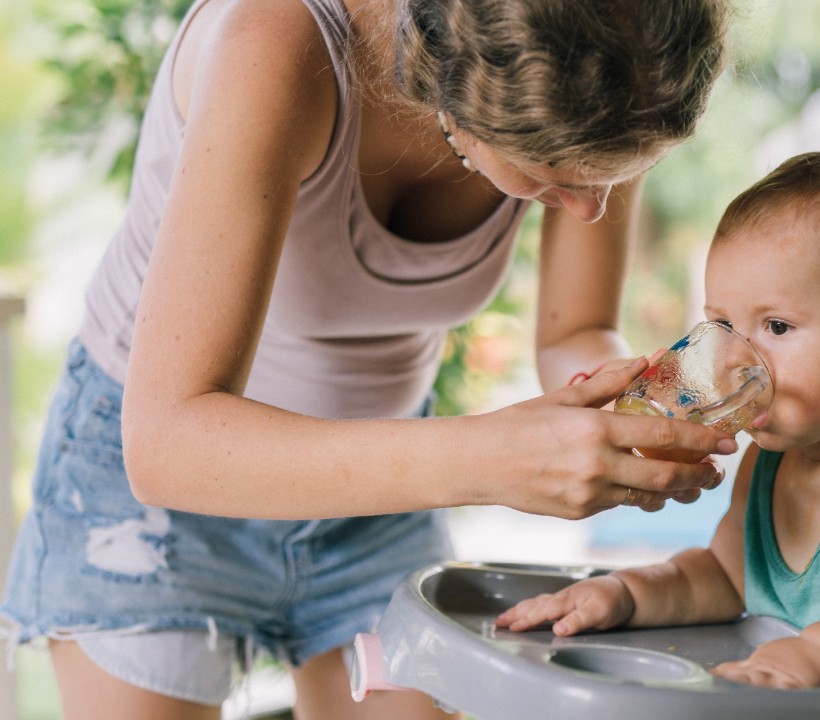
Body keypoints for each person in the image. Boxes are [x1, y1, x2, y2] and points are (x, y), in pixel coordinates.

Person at [0, 0, 735, 718]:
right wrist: (494, 460)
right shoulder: (276, 43)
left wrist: (620, 405)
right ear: (458, 78)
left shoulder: (612, 63)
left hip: (379, 492)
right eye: (555, 175)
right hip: (158, 500)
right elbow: (165, 443)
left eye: (610, 176)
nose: (590, 208)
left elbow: (575, 329)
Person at [496, 152, 820, 718]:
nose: (732, 357)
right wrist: (626, 594)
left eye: (776, 326)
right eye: (723, 326)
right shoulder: (768, 463)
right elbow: (724, 578)